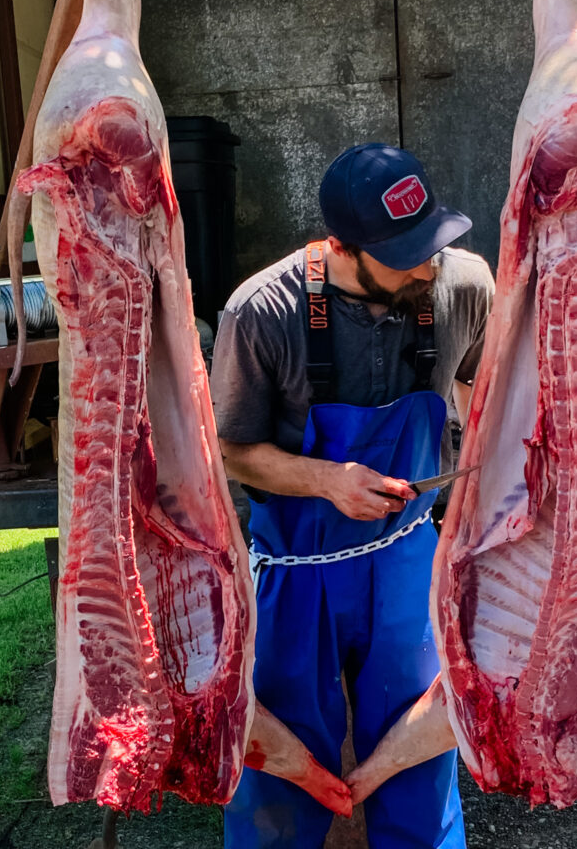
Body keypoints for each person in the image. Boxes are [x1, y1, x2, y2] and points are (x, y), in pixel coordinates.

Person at [210, 143, 494, 848]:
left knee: (419, 761)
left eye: (431, 244)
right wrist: (327, 481)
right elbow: (231, 450)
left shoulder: (463, 285)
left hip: (406, 559)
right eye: (404, 256)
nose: (426, 268)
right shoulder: (261, 312)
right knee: (274, 776)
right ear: (341, 247)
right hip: (297, 569)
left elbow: (475, 384)